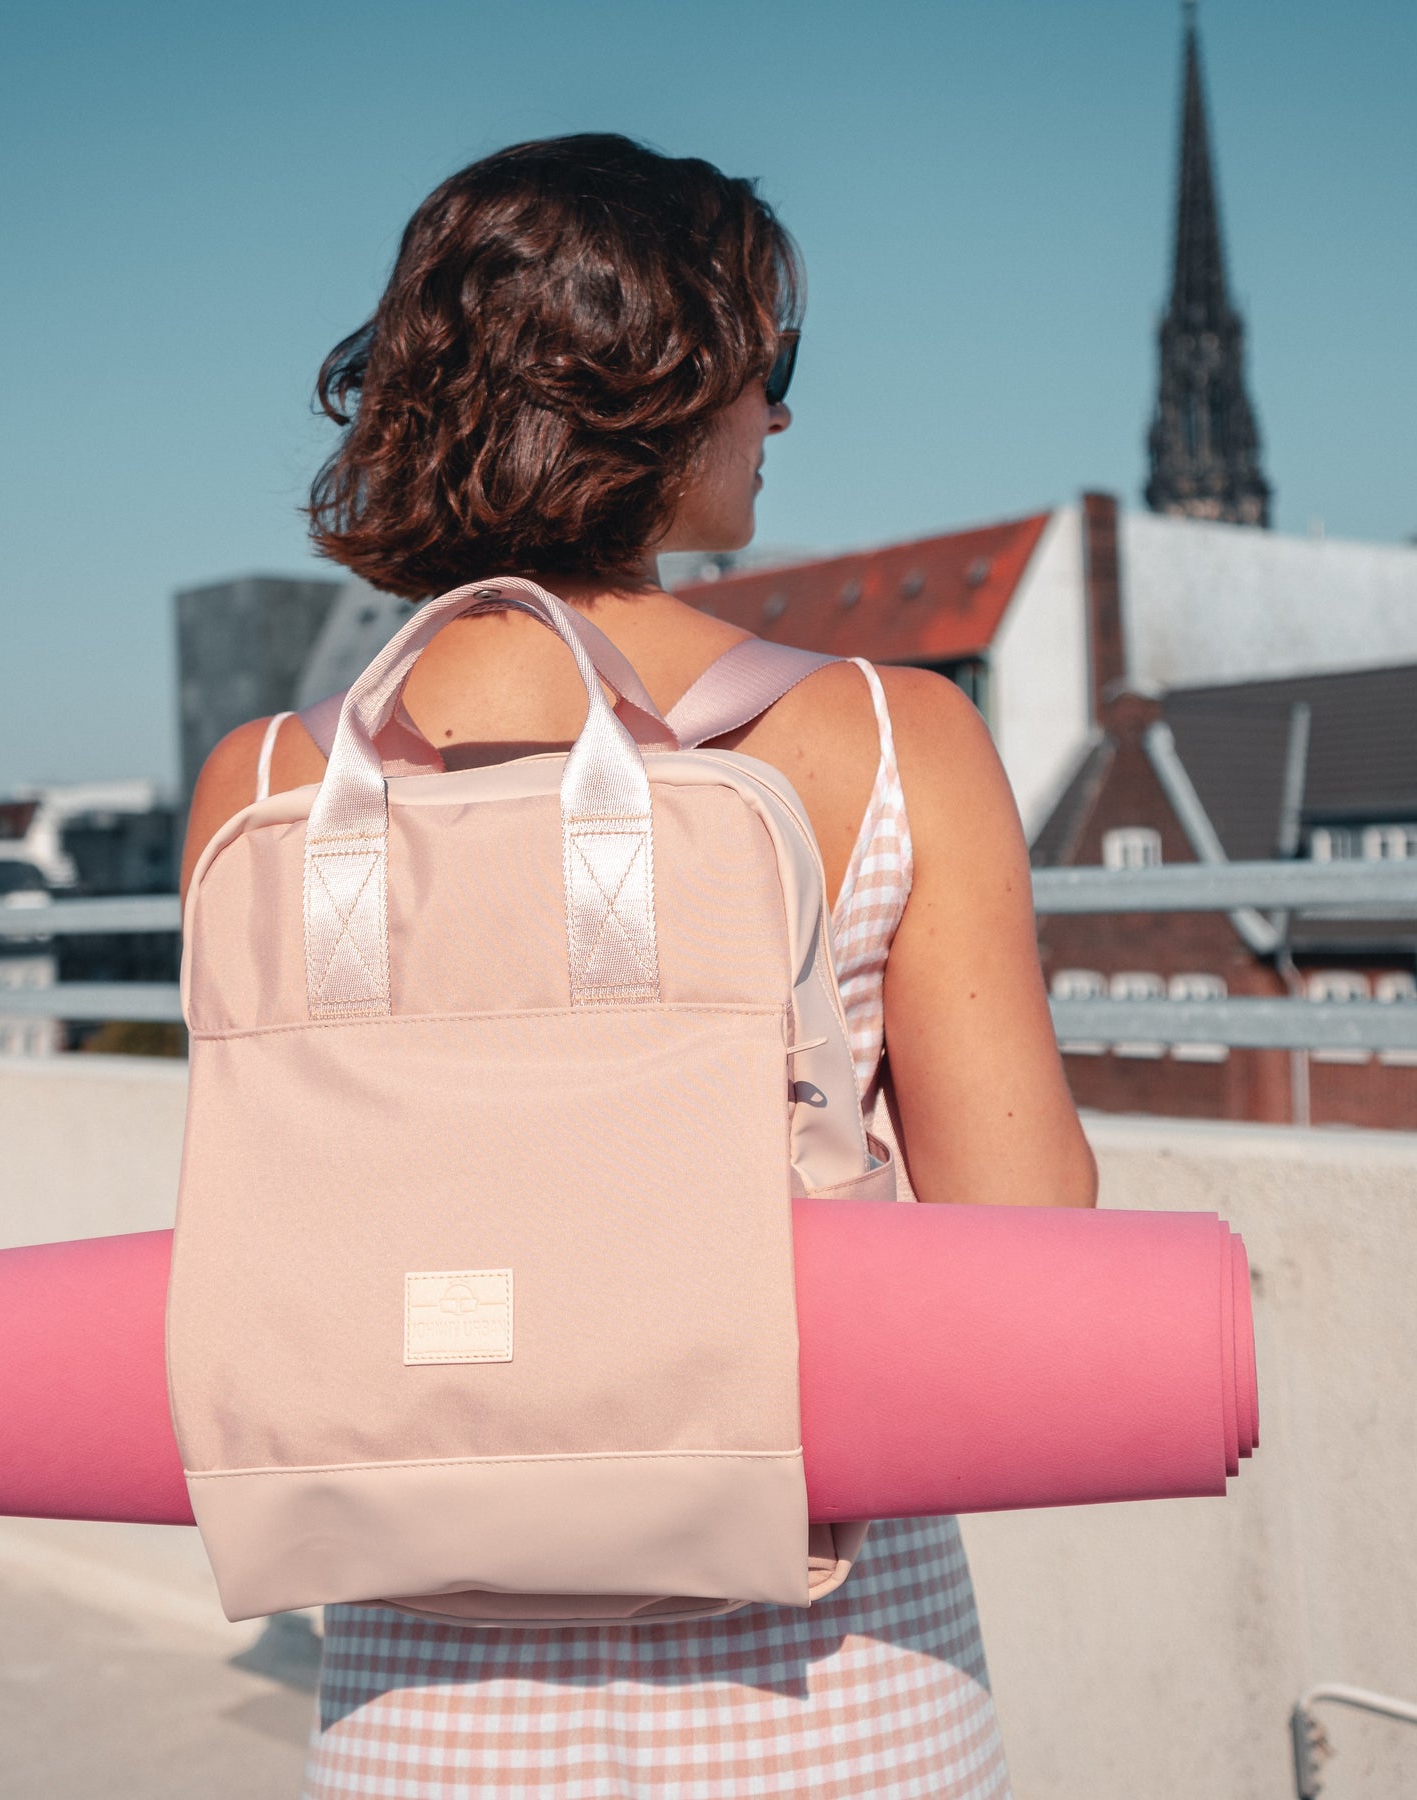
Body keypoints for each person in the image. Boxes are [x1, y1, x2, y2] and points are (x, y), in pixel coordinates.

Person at [183, 133, 1097, 1800]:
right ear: (661, 390)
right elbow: (1025, 1253)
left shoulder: (266, 789)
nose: (785, 412)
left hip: (423, 1712)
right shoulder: (892, 735)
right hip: (836, 1696)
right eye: (772, 364)